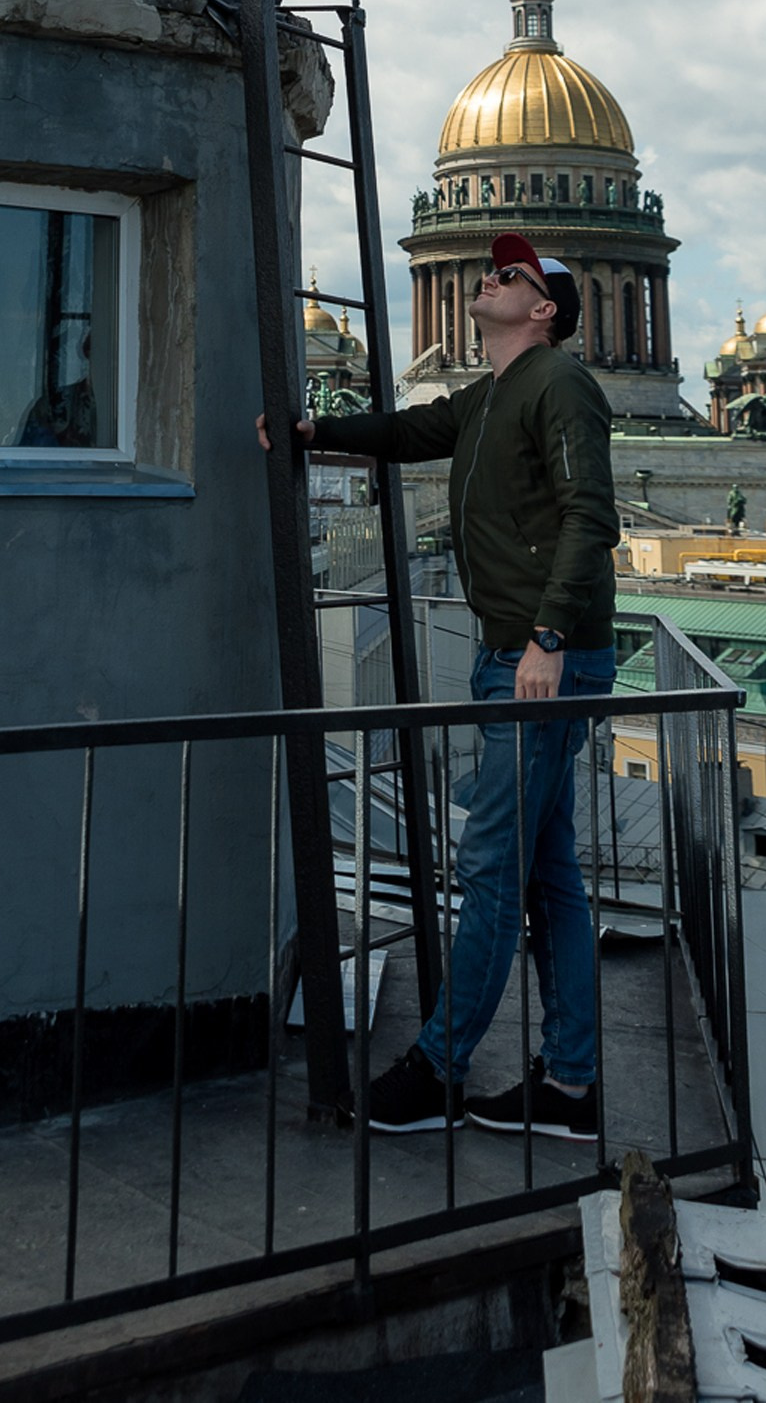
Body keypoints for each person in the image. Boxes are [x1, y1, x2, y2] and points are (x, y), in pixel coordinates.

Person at [257, 234, 618, 1139]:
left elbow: (591, 515)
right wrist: (316, 432)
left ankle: (440, 1069)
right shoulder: (490, 395)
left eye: (510, 275)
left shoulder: (559, 384)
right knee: (550, 875)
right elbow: (408, 430)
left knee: (494, 867)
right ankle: (571, 1088)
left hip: (541, 662)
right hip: (519, 658)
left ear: (542, 310)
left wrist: (547, 639)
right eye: (489, 269)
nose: (488, 279)